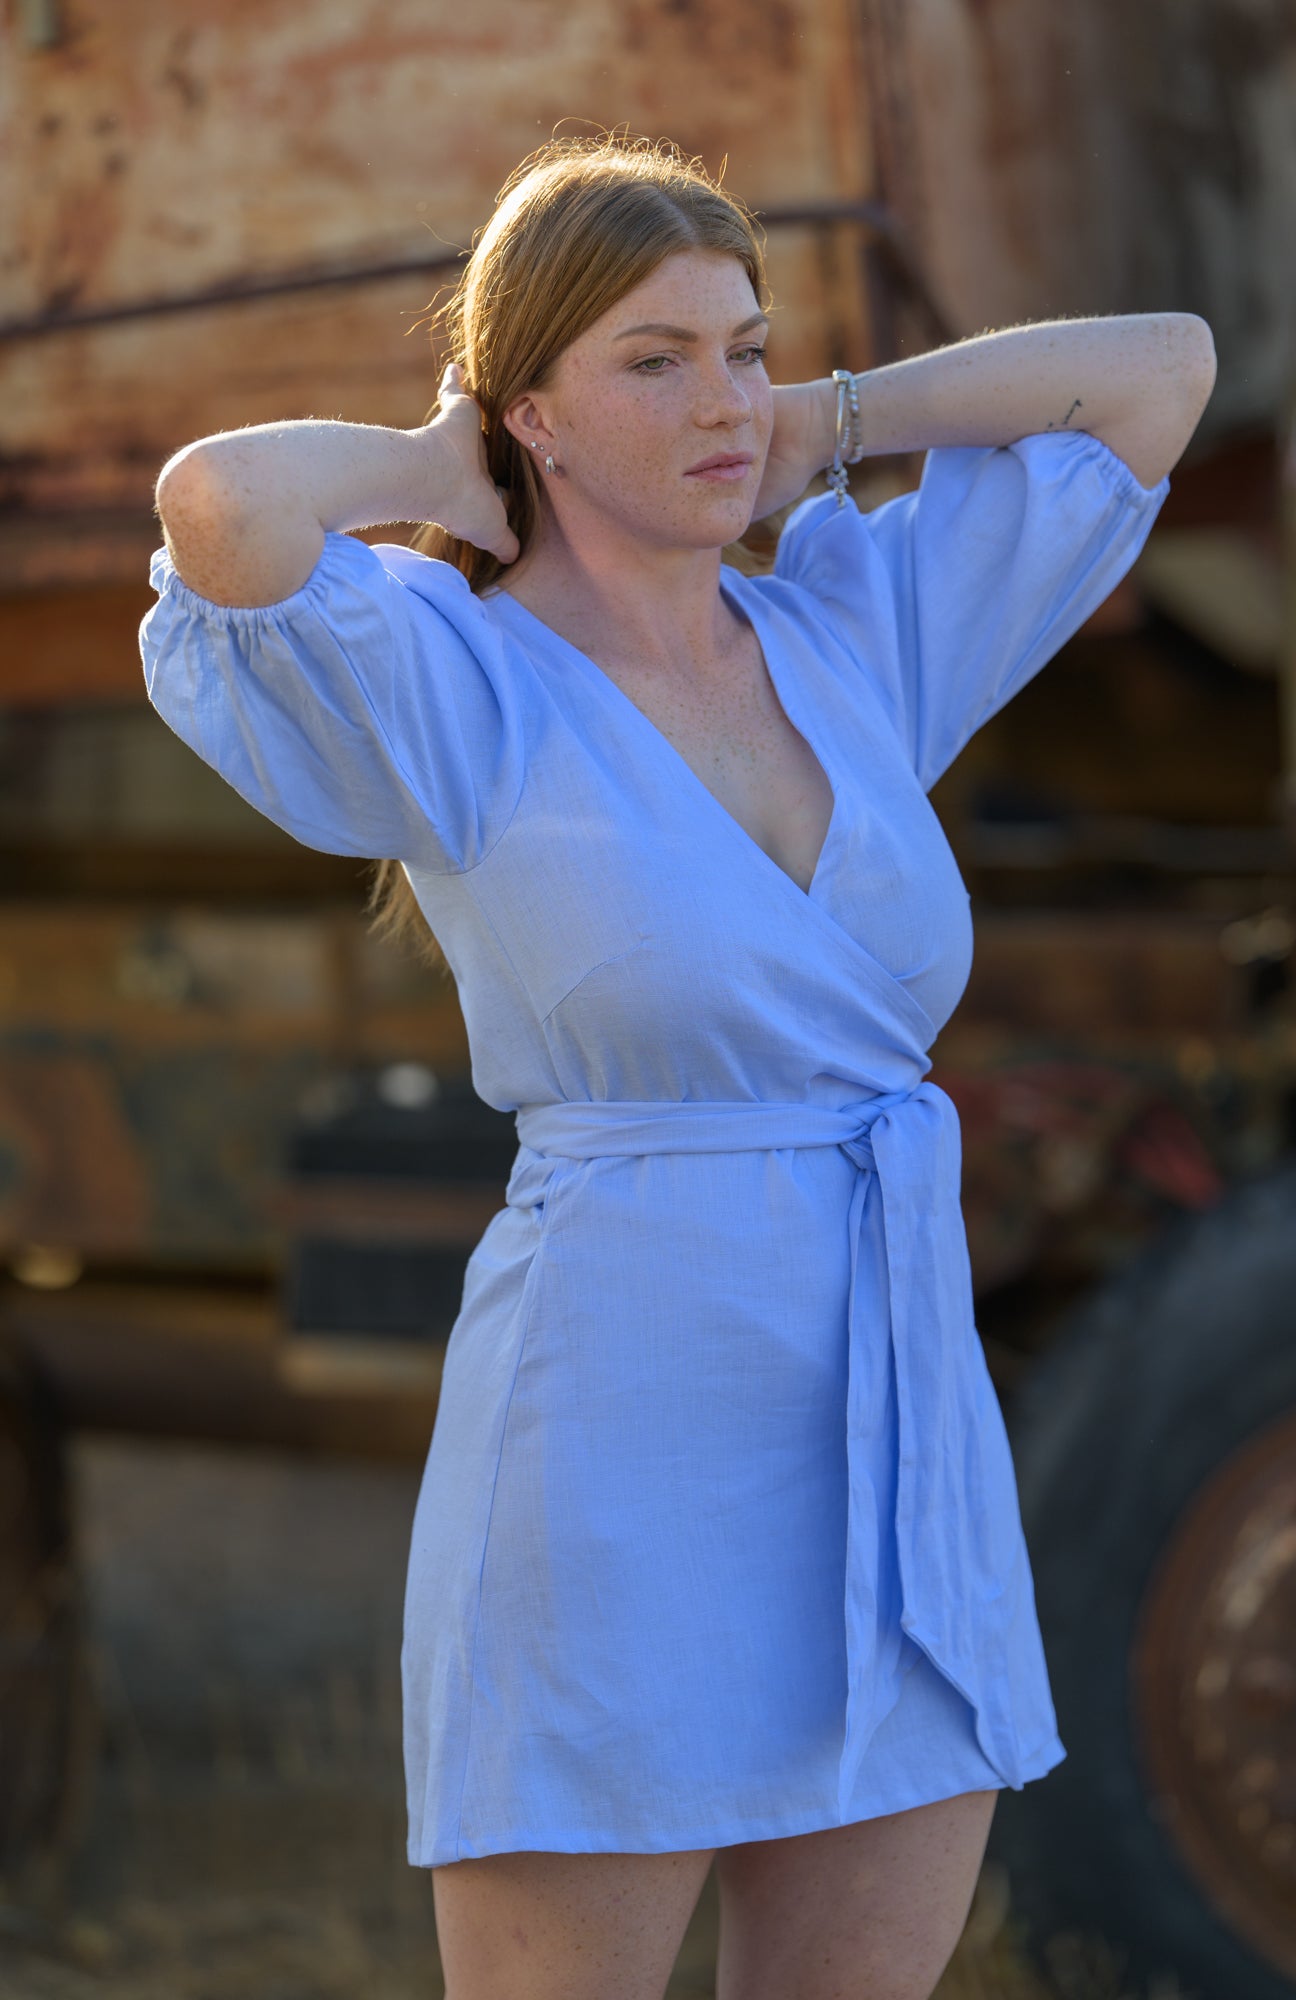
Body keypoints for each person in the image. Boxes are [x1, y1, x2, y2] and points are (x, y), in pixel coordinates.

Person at [141, 135, 1215, 2000]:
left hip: (890, 1410)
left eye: (744, 346)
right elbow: (219, 509)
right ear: (532, 414)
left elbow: (1161, 374)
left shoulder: (854, 630)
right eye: (655, 361)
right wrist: (433, 473)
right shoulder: (457, 676)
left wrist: (833, 419)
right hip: (618, 1420)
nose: (722, 399)